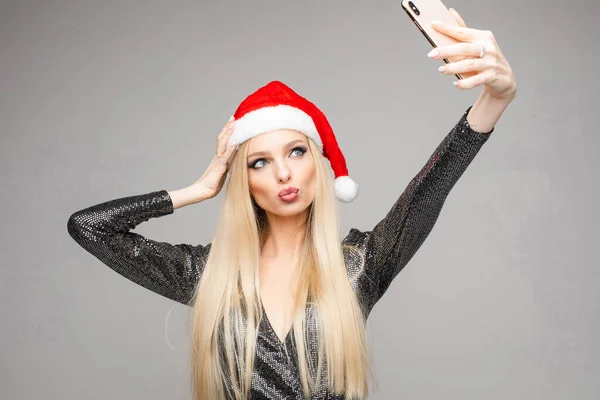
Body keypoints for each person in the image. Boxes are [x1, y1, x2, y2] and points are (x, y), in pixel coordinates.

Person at [67, 10, 516, 400]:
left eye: (296, 152)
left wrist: (495, 97)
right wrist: (200, 188)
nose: (282, 172)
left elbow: (432, 185)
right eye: (260, 162)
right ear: (243, 179)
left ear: (318, 164)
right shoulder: (211, 275)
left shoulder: (360, 265)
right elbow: (88, 227)